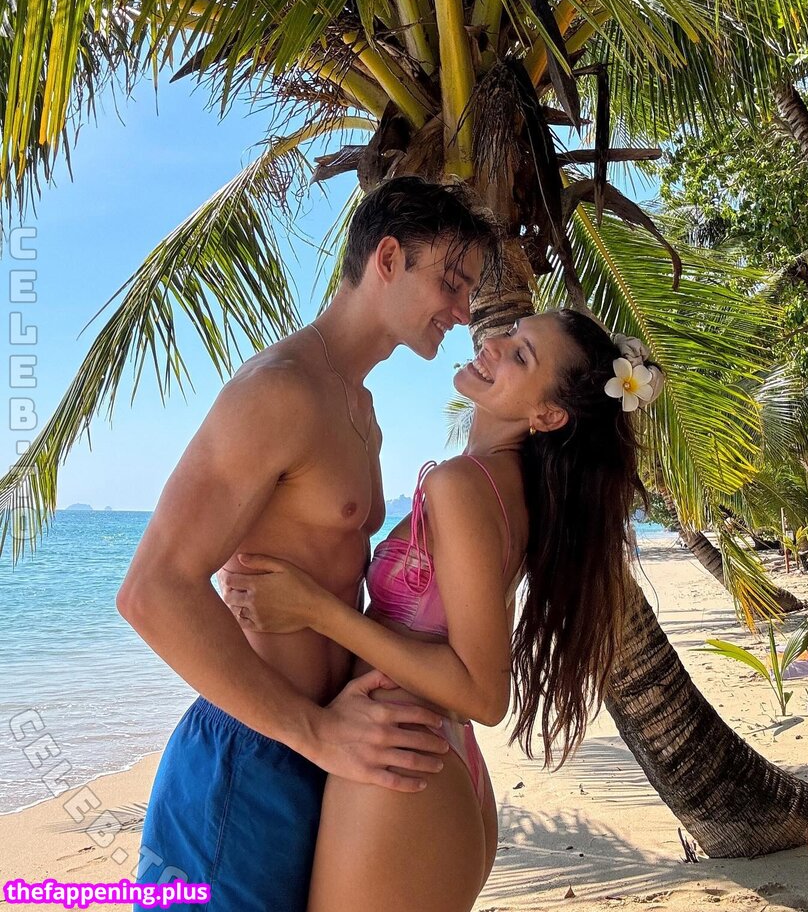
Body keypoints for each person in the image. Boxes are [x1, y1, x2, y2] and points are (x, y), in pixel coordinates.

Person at [116, 176, 500, 912]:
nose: (463, 311)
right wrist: (317, 733)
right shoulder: (279, 390)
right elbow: (151, 591)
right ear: (387, 258)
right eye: (452, 283)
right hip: (247, 760)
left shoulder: (361, 409)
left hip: (318, 750)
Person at [221, 312, 663, 912]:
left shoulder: (465, 484)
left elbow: (484, 694)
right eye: (512, 334)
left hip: (401, 763)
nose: (494, 344)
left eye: (522, 355)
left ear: (548, 416)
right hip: (427, 757)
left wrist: (313, 609)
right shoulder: (509, 489)